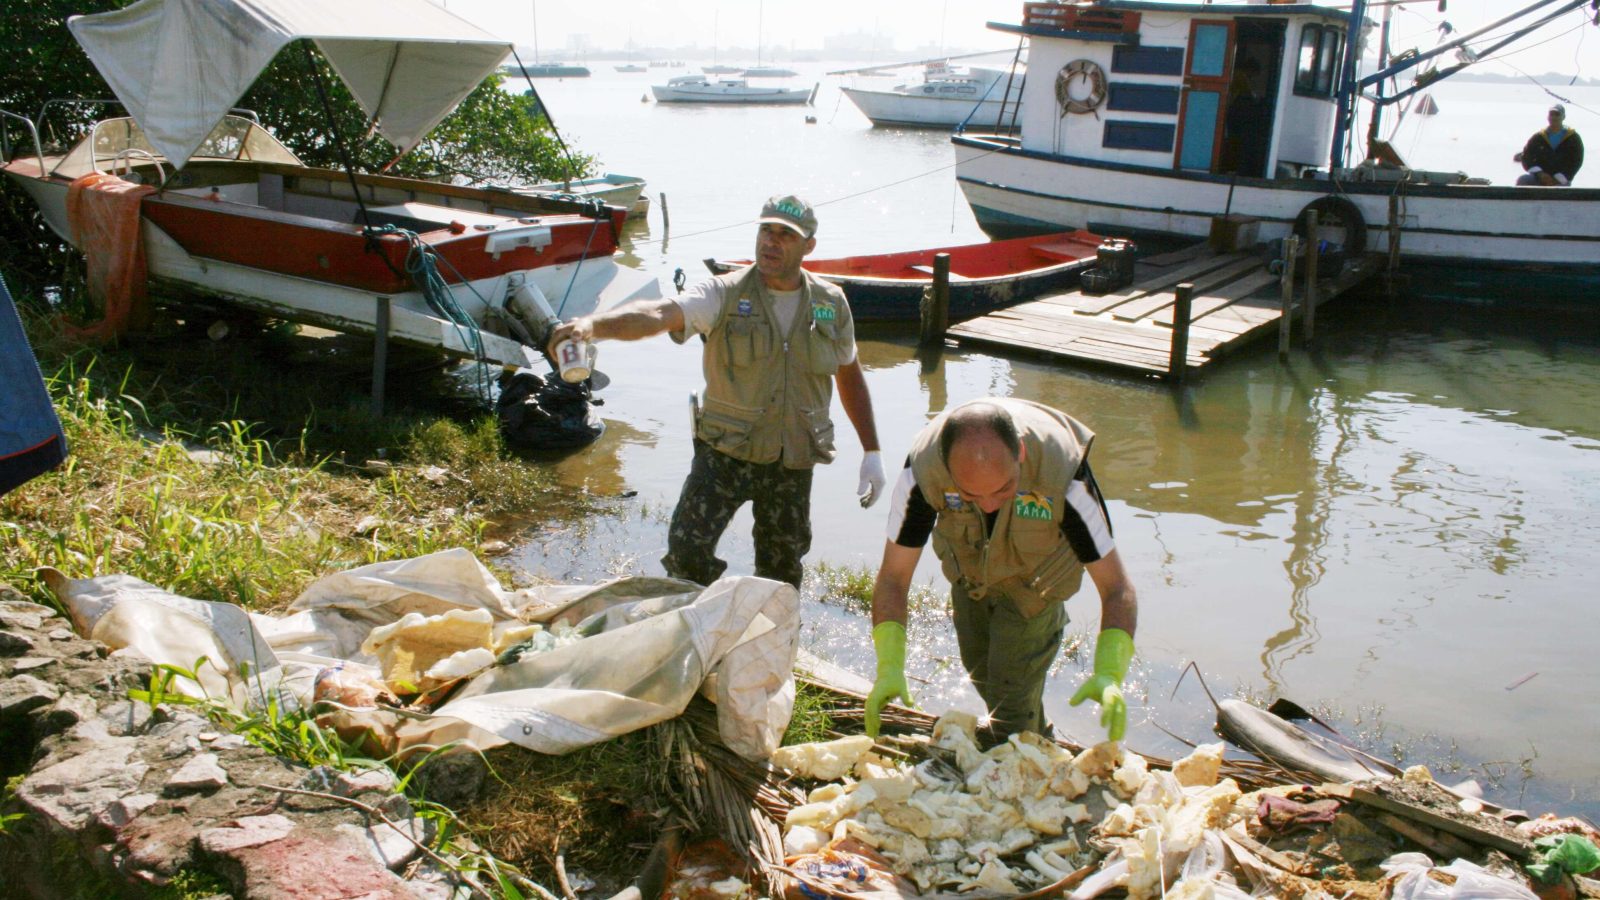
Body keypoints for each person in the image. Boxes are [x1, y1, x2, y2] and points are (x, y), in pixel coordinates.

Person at [547, 195, 884, 590]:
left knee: (782, 570)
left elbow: (849, 372)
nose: (771, 242)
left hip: (792, 460)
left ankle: (770, 639)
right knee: (687, 551)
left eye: (785, 235)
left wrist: (872, 451)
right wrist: (592, 326)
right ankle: (698, 622)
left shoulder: (830, 302)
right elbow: (658, 315)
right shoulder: (723, 293)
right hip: (725, 453)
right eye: (765, 230)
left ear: (808, 245)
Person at [862, 398, 1138, 745]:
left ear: (1020, 453)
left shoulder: (1064, 475)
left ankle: (1021, 746)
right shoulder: (922, 474)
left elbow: (1116, 587)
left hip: (1036, 588)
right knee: (981, 672)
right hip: (971, 576)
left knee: (1010, 703)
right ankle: (1040, 738)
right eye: (970, 493)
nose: (990, 503)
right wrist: (889, 665)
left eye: (1004, 489)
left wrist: (1109, 672)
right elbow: (893, 578)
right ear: (948, 468)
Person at [1515, 103, 1583, 186]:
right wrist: (1540, 174)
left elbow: (1576, 161)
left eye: (1557, 114)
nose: (1554, 117)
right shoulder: (1538, 137)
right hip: (1539, 178)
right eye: (1551, 114)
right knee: (1523, 180)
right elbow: (1527, 157)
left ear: (1563, 117)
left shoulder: (1573, 138)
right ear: (1548, 117)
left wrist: (1559, 178)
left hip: (1560, 181)